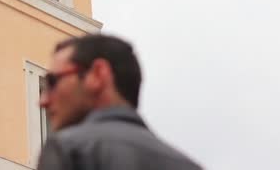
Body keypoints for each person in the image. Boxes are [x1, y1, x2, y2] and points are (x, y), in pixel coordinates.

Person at [37, 34, 202, 170]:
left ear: (97, 75)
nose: (42, 101)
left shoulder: (68, 150)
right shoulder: (188, 165)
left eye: (52, 81)